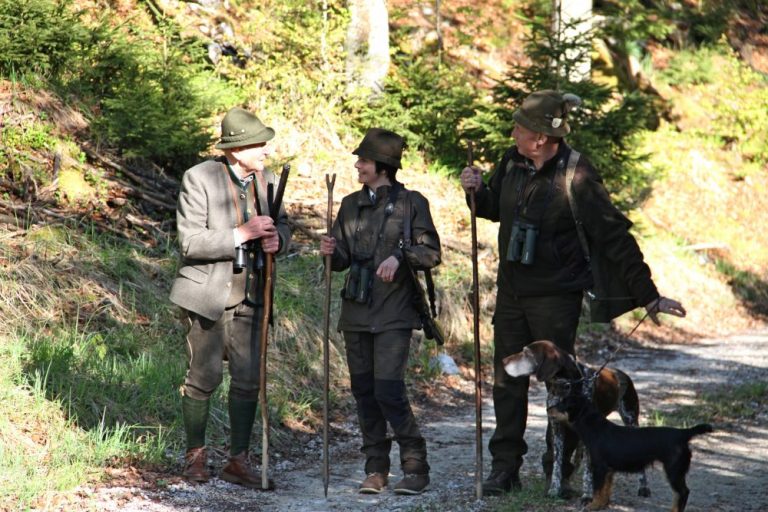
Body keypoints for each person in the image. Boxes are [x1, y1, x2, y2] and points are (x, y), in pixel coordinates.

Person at [459, 90, 686, 495]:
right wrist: (474, 190)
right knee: (507, 380)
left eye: (520, 127)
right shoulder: (511, 161)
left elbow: (614, 235)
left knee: (561, 388)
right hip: (512, 293)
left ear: (542, 138)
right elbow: (493, 207)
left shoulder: (578, 173)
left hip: (556, 297)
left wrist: (648, 294)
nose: (513, 132)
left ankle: (558, 469)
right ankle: (504, 469)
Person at [169, 106, 291, 489]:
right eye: (259, 144)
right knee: (202, 378)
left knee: (249, 380)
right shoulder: (199, 178)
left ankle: (237, 461)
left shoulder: (267, 180)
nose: (266, 150)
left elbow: (282, 225)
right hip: (208, 292)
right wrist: (242, 233)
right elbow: (190, 242)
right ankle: (195, 459)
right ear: (237, 150)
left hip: (253, 295)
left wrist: (277, 239)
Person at [319, 128, 441, 495]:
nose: (358, 165)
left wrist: (400, 257)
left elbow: (431, 253)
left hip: (394, 313)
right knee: (364, 391)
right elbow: (340, 261)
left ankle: (416, 467)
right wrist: (330, 251)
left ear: (383, 166)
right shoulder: (349, 204)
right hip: (356, 311)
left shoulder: (412, 203)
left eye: (365, 160)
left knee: (388, 390)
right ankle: (376, 468)